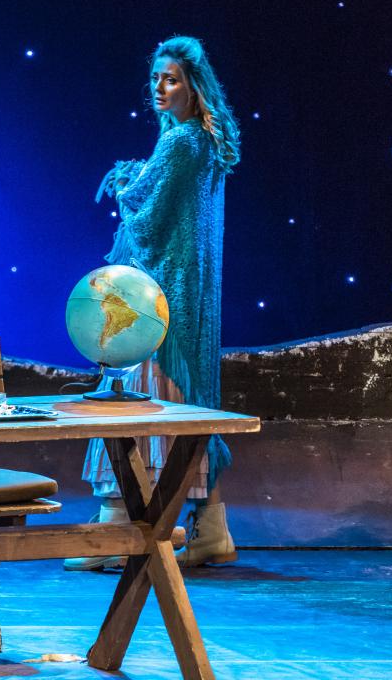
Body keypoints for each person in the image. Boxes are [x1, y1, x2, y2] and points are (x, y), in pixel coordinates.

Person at [64, 36, 241, 571]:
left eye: (171, 80)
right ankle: (211, 529)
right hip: (194, 295)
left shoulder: (181, 142)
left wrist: (125, 181)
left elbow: (146, 212)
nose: (160, 89)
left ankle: (118, 526)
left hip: (162, 294)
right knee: (188, 404)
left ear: (194, 86)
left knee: (135, 399)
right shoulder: (207, 140)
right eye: (156, 79)